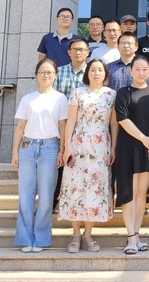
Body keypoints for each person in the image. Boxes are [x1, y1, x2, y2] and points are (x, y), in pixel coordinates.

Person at [59, 59, 118, 254]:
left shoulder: (111, 94)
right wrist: (67, 147)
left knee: (95, 189)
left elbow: (114, 123)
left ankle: (88, 234)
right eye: (93, 70)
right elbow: (70, 121)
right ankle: (75, 234)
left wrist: (114, 148)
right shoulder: (78, 92)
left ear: (105, 74)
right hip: (78, 145)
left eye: (100, 70)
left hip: (101, 147)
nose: (96, 73)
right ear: (88, 73)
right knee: (75, 187)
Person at [11, 59, 68, 253]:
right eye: (42, 72)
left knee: (46, 195)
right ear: (36, 75)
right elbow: (20, 127)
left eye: (49, 72)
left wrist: (62, 150)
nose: (46, 75)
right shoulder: (27, 98)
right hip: (28, 147)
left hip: (50, 147)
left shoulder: (60, 99)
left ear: (55, 75)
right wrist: (15, 152)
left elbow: (63, 126)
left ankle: (41, 239)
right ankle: (25, 239)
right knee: (25, 195)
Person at [114, 55, 149, 255]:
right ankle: (131, 237)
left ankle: (137, 234)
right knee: (130, 193)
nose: (141, 73)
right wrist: (145, 139)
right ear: (130, 71)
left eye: (145, 69)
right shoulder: (123, 93)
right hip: (129, 147)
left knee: (142, 193)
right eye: (137, 69)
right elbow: (122, 119)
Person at [52, 38, 89, 212]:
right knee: (59, 164)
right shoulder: (59, 72)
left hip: (85, 128)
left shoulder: (93, 72)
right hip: (62, 124)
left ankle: (81, 204)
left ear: (87, 52)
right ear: (69, 52)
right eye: (75, 49)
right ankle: (54, 202)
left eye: (82, 49)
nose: (78, 52)